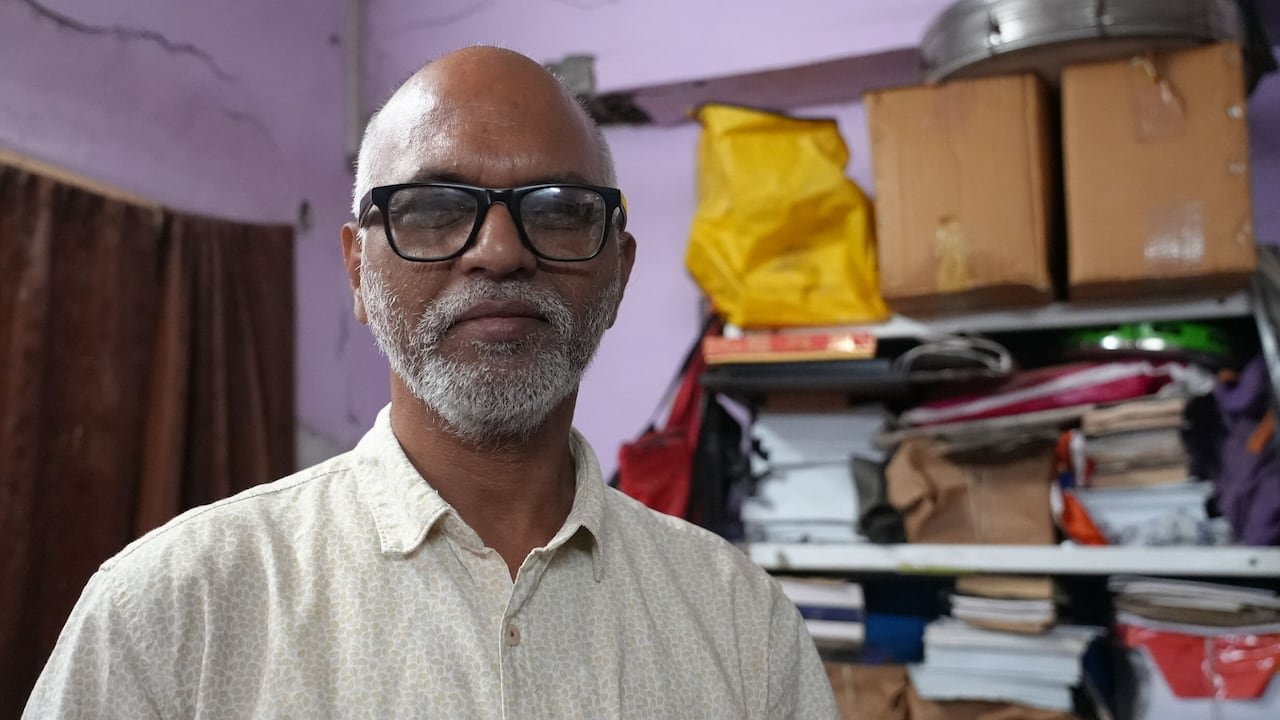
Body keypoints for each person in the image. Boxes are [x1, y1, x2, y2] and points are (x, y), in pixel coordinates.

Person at [25, 46, 838, 718]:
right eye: (434, 208)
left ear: (617, 272)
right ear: (357, 270)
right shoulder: (171, 611)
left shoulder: (742, 624)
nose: (499, 252)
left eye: (557, 209)